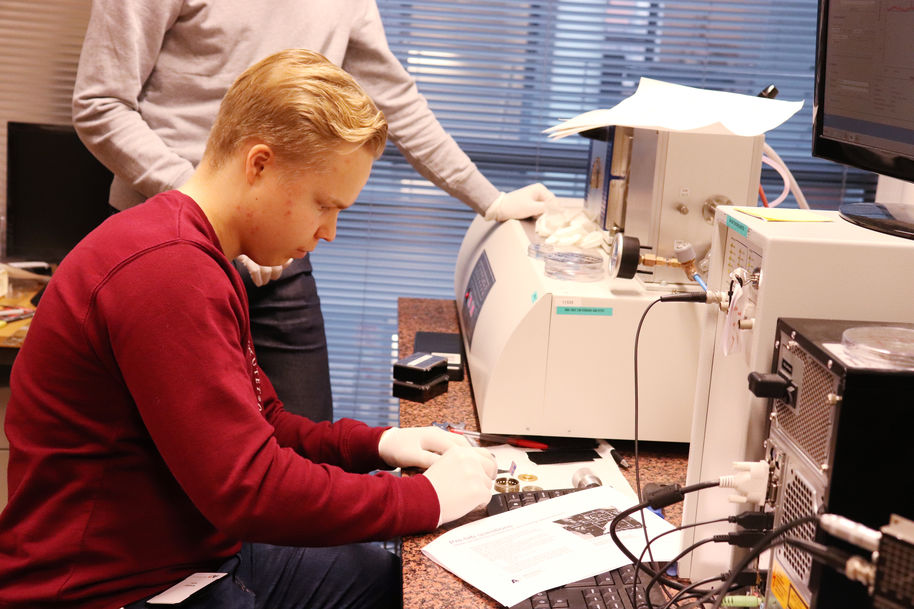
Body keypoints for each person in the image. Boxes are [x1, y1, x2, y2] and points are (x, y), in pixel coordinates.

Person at [0, 49, 497, 609]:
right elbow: (248, 490)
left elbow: (264, 425)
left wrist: (378, 444)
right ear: (259, 164)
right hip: (113, 587)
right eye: (323, 205)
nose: (330, 232)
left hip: (195, 551)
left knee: (389, 581)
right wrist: (425, 499)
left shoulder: (203, 254)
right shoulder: (166, 271)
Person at [72, 0, 555, 422]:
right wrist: (212, 213)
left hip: (276, 245)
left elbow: (396, 103)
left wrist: (491, 200)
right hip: (171, 247)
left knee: (300, 434)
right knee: (184, 455)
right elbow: (101, 104)